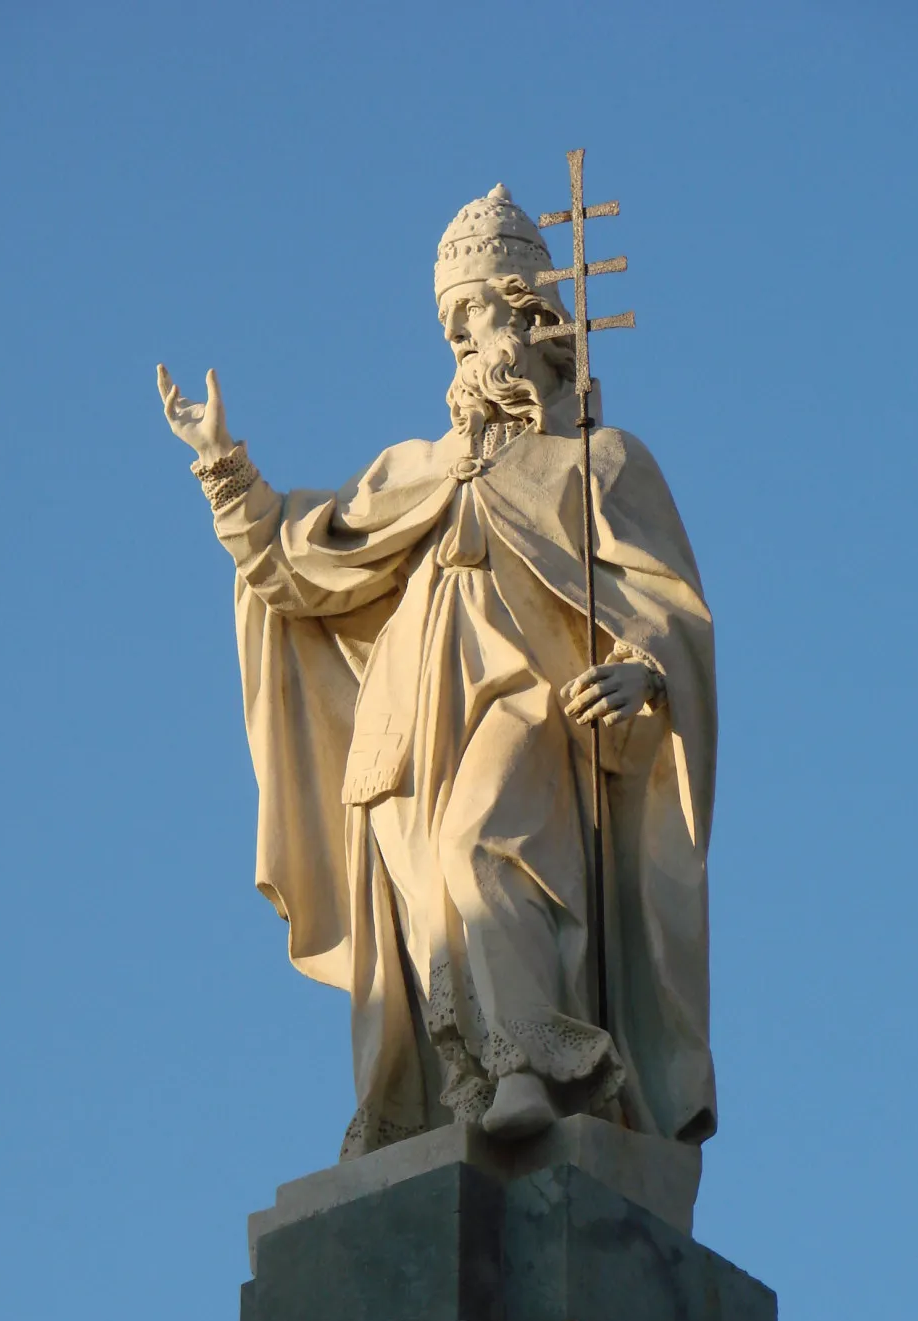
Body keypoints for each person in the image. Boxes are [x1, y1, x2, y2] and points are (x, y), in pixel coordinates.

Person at [157, 184, 718, 1157]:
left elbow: (668, 609)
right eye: (449, 326)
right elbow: (298, 557)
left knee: (479, 851)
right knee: (424, 934)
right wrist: (223, 469)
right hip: (401, 729)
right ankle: (461, 1091)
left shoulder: (600, 462)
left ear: (528, 309)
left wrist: (645, 673)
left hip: (519, 699)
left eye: (475, 316)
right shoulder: (416, 468)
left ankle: (536, 1066)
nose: (461, 343)